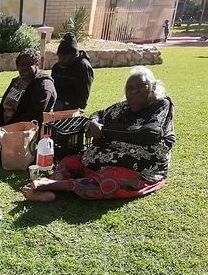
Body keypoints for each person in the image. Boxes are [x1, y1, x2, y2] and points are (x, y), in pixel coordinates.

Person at [22, 66, 175, 202]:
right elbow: (98, 114)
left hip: (139, 167)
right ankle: (50, 184)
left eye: (142, 86)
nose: (134, 91)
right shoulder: (124, 107)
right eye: (129, 88)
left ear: (153, 87)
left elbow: (149, 133)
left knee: (107, 182)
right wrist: (93, 123)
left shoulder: (161, 105)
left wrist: (105, 132)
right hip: (102, 157)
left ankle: (54, 185)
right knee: (70, 162)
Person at [0, 48, 56, 170]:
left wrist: (5, 130)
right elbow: (2, 106)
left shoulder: (43, 85)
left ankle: (2, 146)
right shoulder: (16, 81)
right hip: (8, 123)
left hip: (26, 131)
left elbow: (34, 115)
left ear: (37, 64)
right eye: (21, 65)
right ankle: (1, 143)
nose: (24, 68)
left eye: (29, 64)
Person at [52, 32, 94, 111]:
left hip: (72, 106)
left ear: (73, 56)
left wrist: (60, 99)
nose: (60, 60)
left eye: (64, 57)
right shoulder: (56, 67)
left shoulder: (83, 68)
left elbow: (82, 100)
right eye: (59, 56)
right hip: (56, 101)